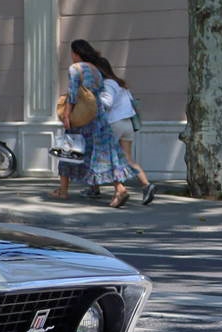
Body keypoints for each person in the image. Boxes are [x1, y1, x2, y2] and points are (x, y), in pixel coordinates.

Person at [59, 39, 135, 207]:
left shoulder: (75, 68)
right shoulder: (95, 70)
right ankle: (119, 188)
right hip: (99, 117)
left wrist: (67, 115)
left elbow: (72, 94)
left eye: (72, 53)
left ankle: (63, 190)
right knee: (105, 154)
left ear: (76, 53)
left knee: (70, 149)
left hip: (83, 119)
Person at [99, 62, 157, 205]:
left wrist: (94, 101)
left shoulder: (107, 84)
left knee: (109, 159)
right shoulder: (121, 85)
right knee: (127, 158)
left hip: (114, 122)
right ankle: (146, 184)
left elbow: (106, 103)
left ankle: (119, 190)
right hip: (128, 123)